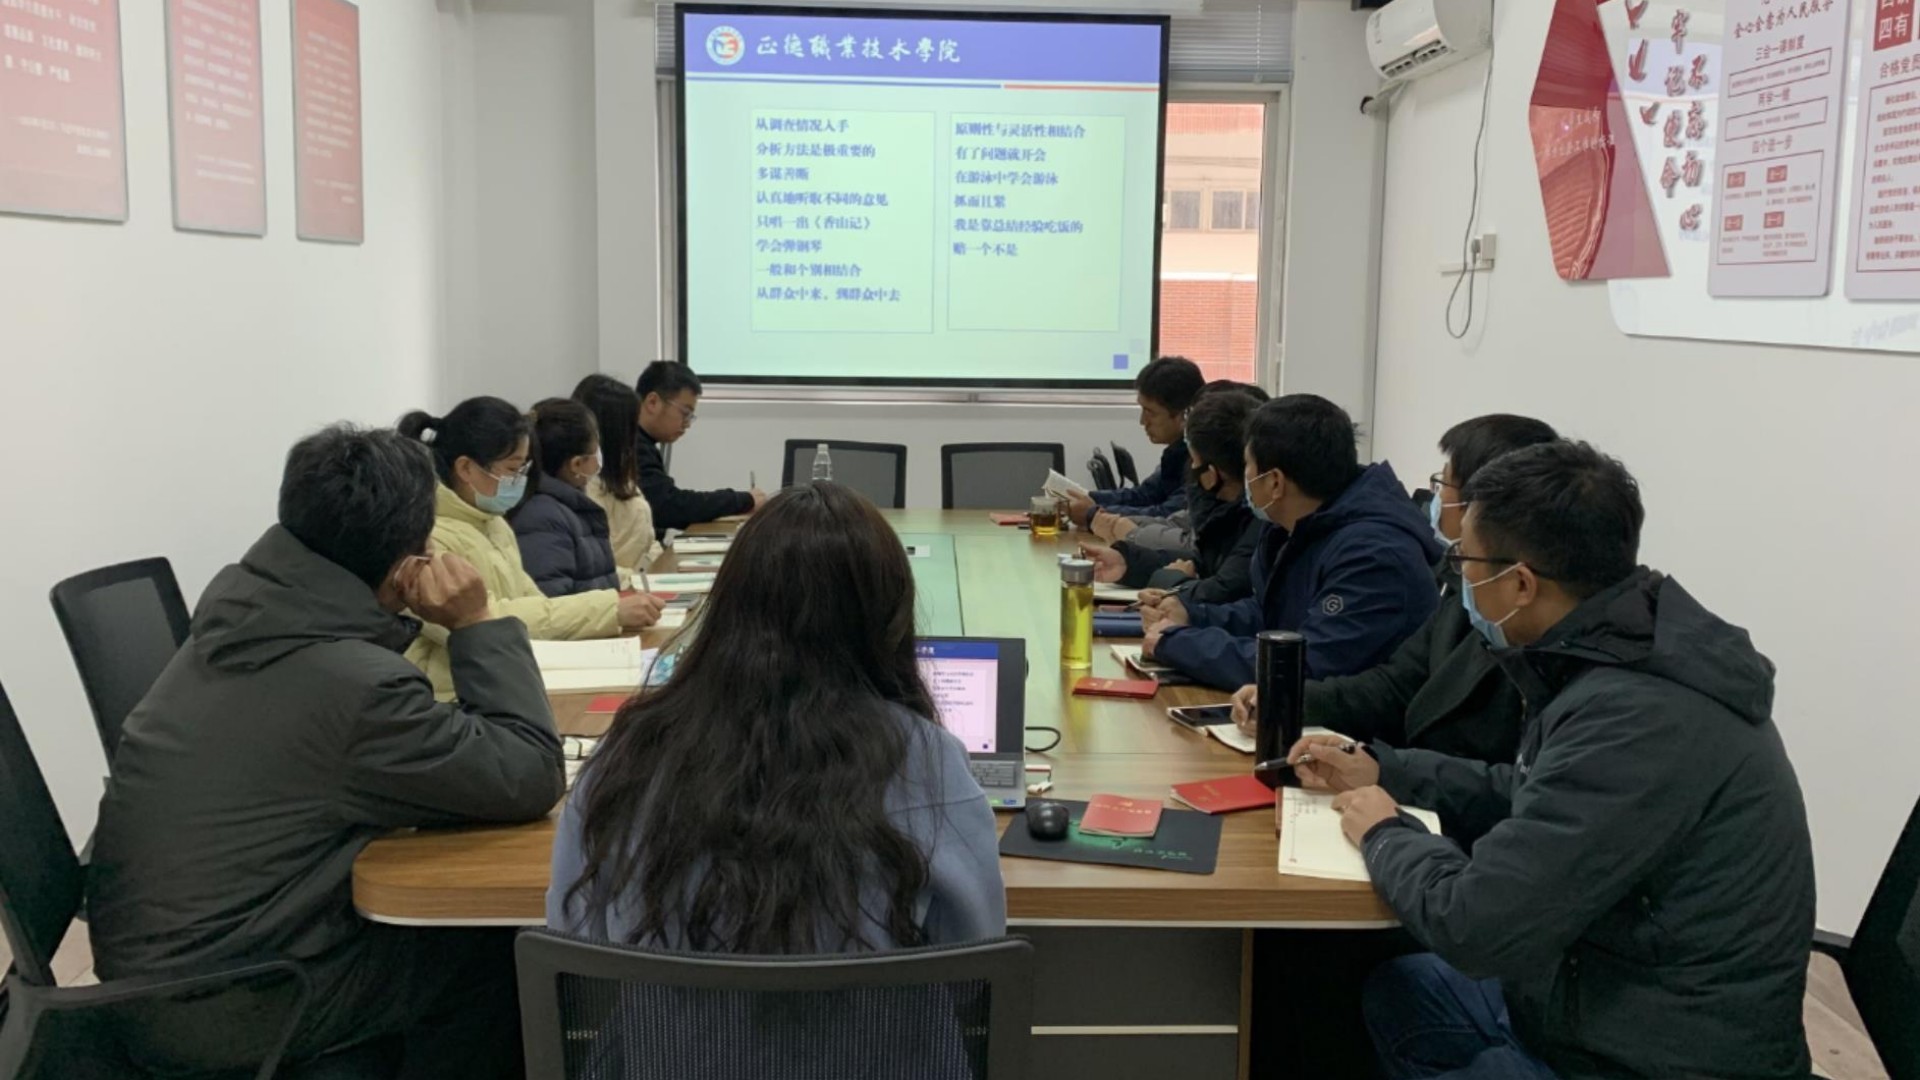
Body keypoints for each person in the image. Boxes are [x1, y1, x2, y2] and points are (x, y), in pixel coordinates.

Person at [1291, 441, 1814, 1080]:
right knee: (1395, 990)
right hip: (1592, 991)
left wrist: (1383, 830)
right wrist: (1385, 770)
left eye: (1465, 561)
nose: (1458, 579)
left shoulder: (1639, 712)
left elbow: (1474, 925)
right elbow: (1533, 790)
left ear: (1520, 583)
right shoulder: (1610, 652)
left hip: (1653, 1054)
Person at [88, 425, 563, 1079]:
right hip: (227, 1001)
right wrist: (476, 623)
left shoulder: (247, 616)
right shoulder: (353, 685)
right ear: (407, 564)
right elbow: (530, 773)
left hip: (159, 970)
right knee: (505, 952)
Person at [550, 481, 1006, 957]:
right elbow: (978, 959)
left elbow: (573, 947)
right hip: (876, 1011)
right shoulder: (930, 763)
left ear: (727, 605)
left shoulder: (628, 753)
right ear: (888, 616)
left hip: (658, 1010)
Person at [1230, 414, 1559, 768]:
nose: (1434, 499)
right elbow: (1396, 683)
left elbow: (1508, 781)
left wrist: (1385, 772)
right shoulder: (1461, 587)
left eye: (1442, 484)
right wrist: (1286, 700)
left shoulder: (1377, 550)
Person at [1143, 394, 1441, 690]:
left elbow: (1307, 666)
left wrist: (1180, 644)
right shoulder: (1297, 526)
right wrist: (1193, 615)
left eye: (1247, 465)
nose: (1244, 478)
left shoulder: (1374, 555)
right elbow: (1271, 616)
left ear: (1275, 482)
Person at [398, 397, 660, 699]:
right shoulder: (427, 537)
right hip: (457, 694)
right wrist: (608, 609)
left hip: (509, 677)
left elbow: (535, 604)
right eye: (513, 469)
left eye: (524, 468)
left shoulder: (493, 523)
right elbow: (488, 618)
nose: (520, 481)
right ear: (466, 468)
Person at [1080, 389, 1260, 607]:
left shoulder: (1259, 521)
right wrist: (1127, 563)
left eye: (1194, 461)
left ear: (1212, 474)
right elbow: (1203, 564)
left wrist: (1170, 580)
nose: (1191, 470)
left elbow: (1223, 591)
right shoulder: (1227, 510)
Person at [1066, 355, 1205, 533]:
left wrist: (1094, 513)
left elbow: (1167, 516)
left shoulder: (1201, 461)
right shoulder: (1176, 453)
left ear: (1184, 415)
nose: (1142, 421)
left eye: (1150, 412)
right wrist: (1085, 497)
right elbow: (1144, 495)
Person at [633, 360, 766, 536]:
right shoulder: (629, 445)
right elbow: (669, 506)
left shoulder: (642, 442)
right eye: (685, 413)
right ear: (652, 402)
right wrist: (743, 500)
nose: (687, 424)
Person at [511, 398, 621, 598]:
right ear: (576, 464)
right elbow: (553, 599)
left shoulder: (567, 505)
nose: (599, 455)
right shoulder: (541, 518)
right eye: (595, 450)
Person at [573, 373, 663, 574]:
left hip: (643, 582)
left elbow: (650, 542)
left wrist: (655, 568)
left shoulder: (622, 479)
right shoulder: (585, 490)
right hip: (620, 588)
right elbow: (594, 566)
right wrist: (635, 578)